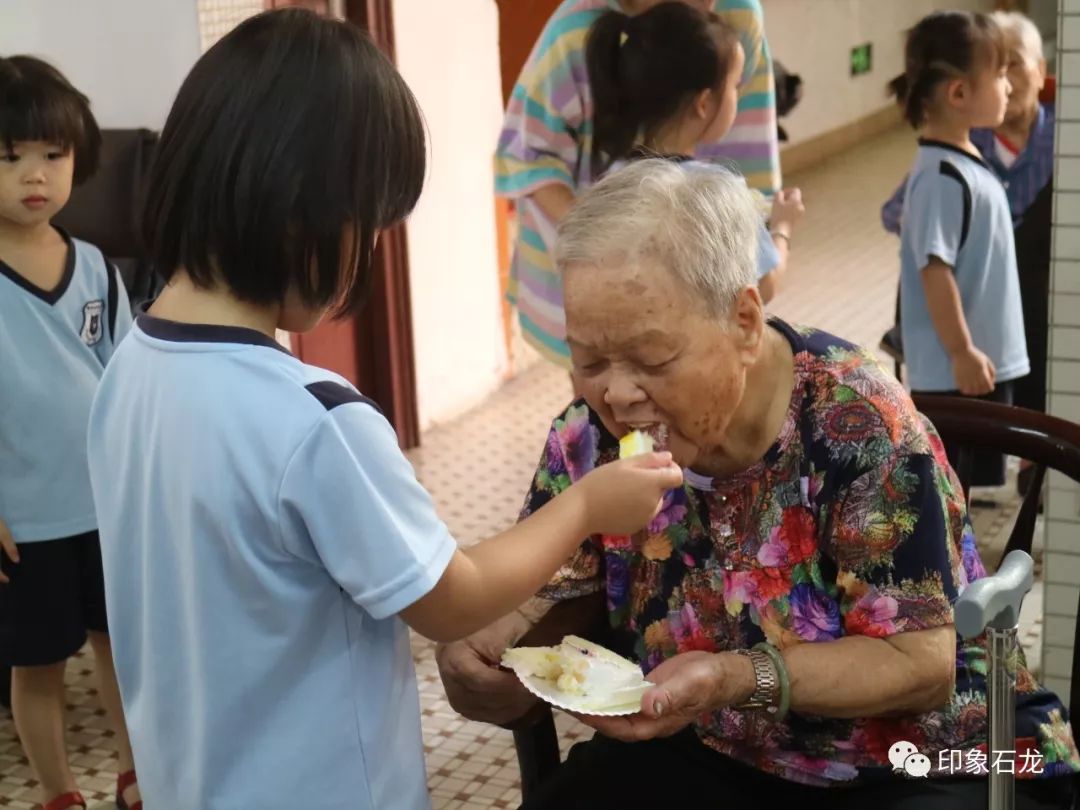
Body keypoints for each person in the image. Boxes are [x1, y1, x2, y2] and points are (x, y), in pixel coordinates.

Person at [84, 10, 682, 810]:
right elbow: (451, 597)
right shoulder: (314, 420)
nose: (364, 254)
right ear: (298, 211)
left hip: (186, 779)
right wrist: (586, 507)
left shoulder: (130, 368)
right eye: (363, 226)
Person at [436, 158, 1080, 809]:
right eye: (589, 360)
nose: (618, 392)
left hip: (925, 758)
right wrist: (497, 654)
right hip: (719, 747)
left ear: (744, 322)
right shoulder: (589, 435)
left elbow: (920, 666)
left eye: (652, 359)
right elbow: (550, 595)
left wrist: (732, 678)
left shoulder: (858, 426)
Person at [0, 56, 140, 810]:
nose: (35, 174)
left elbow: (125, 383)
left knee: (121, 651)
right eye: (9, 156)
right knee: (37, 666)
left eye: (52, 154)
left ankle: (136, 774)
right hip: (23, 524)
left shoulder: (95, 269)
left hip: (105, 509)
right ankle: (57, 792)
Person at [497, 0, 781, 369]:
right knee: (605, 387)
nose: (712, 5)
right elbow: (524, 152)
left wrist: (745, 224)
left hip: (678, 278)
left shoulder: (738, 15)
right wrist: (612, 244)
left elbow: (749, 140)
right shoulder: (572, 35)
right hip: (590, 276)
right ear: (703, 103)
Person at [880, 10, 1053, 493]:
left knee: (964, 490)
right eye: (998, 74)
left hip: (977, 365)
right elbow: (934, 269)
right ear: (959, 93)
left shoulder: (964, 161)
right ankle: (951, 566)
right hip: (956, 373)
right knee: (948, 489)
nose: (1007, 85)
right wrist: (960, 351)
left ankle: (962, 559)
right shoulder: (940, 178)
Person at [586, 2, 804, 302]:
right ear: (703, 104)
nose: (737, 96)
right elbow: (761, 289)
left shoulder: (609, 182)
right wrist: (782, 226)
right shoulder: (717, 194)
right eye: (733, 86)